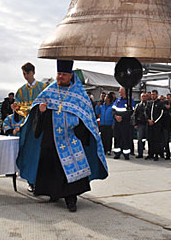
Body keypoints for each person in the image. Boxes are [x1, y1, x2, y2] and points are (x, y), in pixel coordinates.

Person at [16, 60, 108, 212]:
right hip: (51, 139)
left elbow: (88, 117)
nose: (60, 77)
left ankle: (71, 199)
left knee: (70, 169)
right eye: (59, 74)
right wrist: (42, 111)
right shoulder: (50, 91)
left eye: (64, 74)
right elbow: (37, 113)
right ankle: (54, 193)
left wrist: (80, 126)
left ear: (70, 75)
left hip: (71, 138)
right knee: (51, 168)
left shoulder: (79, 94)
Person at [13, 62, 48, 192]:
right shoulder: (21, 91)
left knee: (40, 154)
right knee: (28, 153)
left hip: (41, 127)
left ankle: (41, 181)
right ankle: (30, 181)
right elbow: (18, 109)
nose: (25, 76)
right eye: (23, 74)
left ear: (33, 72)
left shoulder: (44, 87)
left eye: (27, 73)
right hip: (27, 127)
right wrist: (15, 108)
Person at [112, 87, 134, 160]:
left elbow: (131, 111)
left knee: (125, 138)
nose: (119, 93)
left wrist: (122, 117)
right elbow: (113, 110)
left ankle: (126, 154)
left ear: (124, 92)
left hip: (125, 123)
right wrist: (115, 116)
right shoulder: (117, 100)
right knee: (117, 137)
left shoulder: (130, 101)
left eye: (120, 91)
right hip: (117, 123)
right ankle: (117, 154)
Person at [146, 90, 165, 161]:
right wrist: (148, 120)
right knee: (150, 139)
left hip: (157, 125)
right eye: (152, 94)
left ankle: (156, 154)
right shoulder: (149, 103)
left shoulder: (160, 103)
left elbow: (161, 113)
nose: (152, 96)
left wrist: (155, 121)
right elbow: (146, 112)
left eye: (154, 94)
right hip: (149, 124)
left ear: (157, 95)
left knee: (156, 140)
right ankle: (150, 154)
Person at [133, 92, 148, 158]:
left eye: (145, 96)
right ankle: (140, 153)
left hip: (147, 124)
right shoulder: (138, 106)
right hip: (140, 124)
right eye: (142, 96)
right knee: (140, 139)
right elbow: (135, 115)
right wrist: (135, 124)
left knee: (148, 139)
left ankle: (150, 154)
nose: (144, 98)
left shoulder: (149, 105)